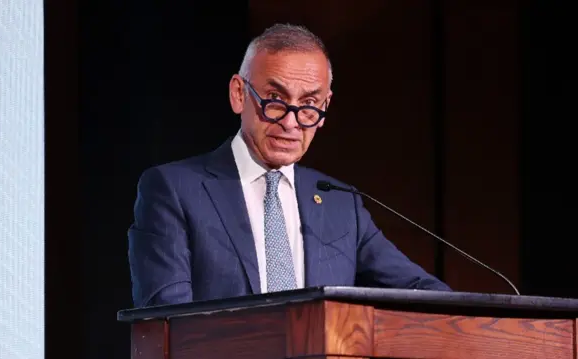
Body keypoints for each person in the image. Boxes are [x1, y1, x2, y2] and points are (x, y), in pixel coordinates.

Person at [128, 23, 451, 308]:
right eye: (276, 100)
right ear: (239, 94)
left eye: (309, 106)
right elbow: (167, 321)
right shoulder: (174, 190)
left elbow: (421, 292)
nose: (291, 123)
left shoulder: (341, 204)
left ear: (326, 106)